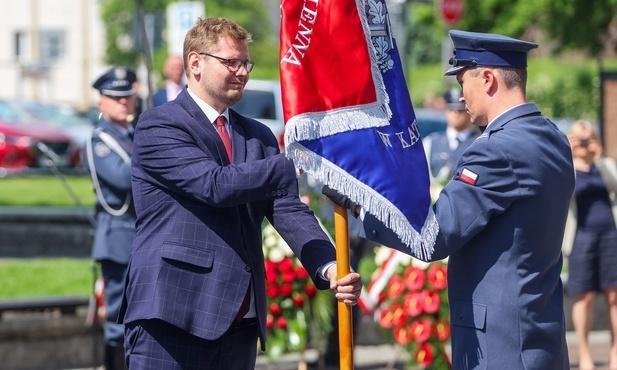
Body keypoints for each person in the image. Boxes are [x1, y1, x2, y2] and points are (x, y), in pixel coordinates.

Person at [118, 17, 362, 370]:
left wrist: (329, 266)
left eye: (245, 63)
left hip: (239, 326)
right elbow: (213, 185)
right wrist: (294, 161)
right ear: (195, 63)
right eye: (231, 62)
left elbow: (288, 210)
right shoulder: (159, 124)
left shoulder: (258, 136)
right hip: (172, 318)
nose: (242, 72)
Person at [327, 30, 574, 369]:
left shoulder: (495, 150)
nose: (460, 96)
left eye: (462, 81)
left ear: (487, 78)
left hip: (500, 347)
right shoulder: (553, 138)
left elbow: (432, 238)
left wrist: (361, 204)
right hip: (538, 338)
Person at [83, 66, 137, 370]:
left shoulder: (134, 134)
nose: (122, 102)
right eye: (115, 97)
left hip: (140, 233)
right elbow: (123, 178)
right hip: (117, 234)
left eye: (127, 96)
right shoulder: (100, 139)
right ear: (101, 101)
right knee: (118, 317)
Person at [563, 119, 617, 370]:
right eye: (579, 139)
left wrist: (600, 156)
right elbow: (563, 191)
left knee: (614, 296)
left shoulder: (605, 166)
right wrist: (567, 149)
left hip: (610, 235)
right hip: (581, 238)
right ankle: (584, 352)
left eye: (589, 138)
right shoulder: (567, 168)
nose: (585, 144)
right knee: (583, 297)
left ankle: (615, 350)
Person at [422, 88, 480, 196]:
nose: (456, 113)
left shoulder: (479, 142)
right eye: (451, 109)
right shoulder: (431, 142)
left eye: (460, 110)